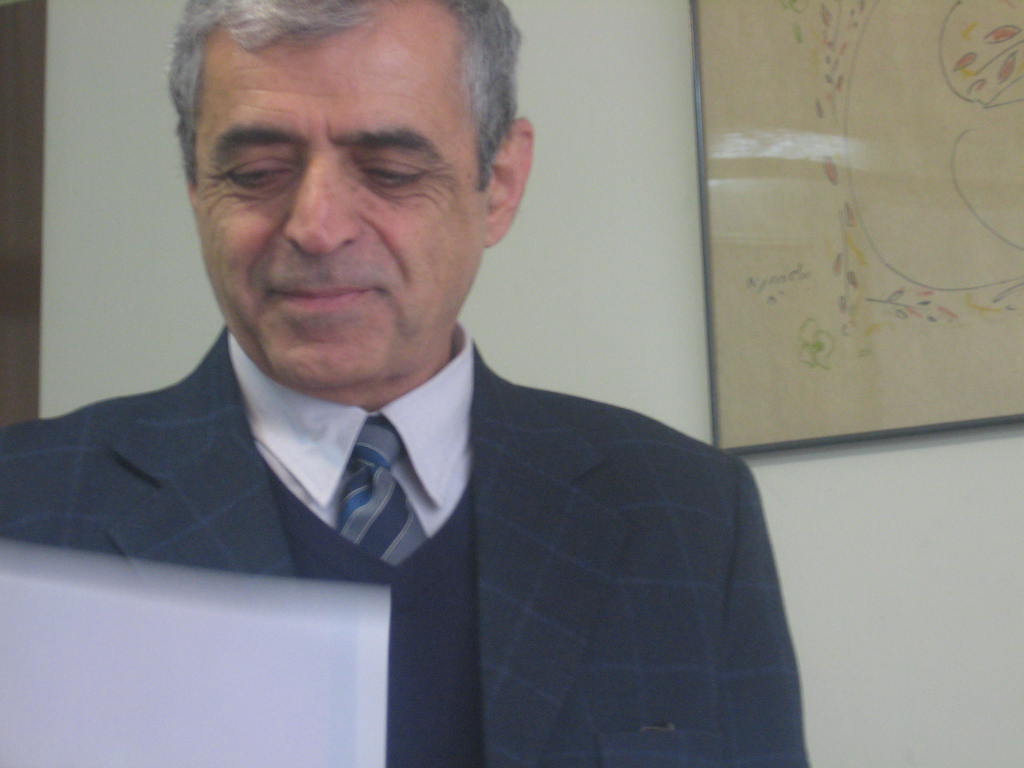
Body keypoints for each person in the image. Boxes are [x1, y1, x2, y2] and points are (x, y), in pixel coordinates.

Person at [0, 0, 809, 766]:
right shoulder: (24, 508)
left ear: (500, 183)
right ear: (194, 187)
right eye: (256, 171)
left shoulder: (688, 514)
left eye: (388, 171)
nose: (317, 226)